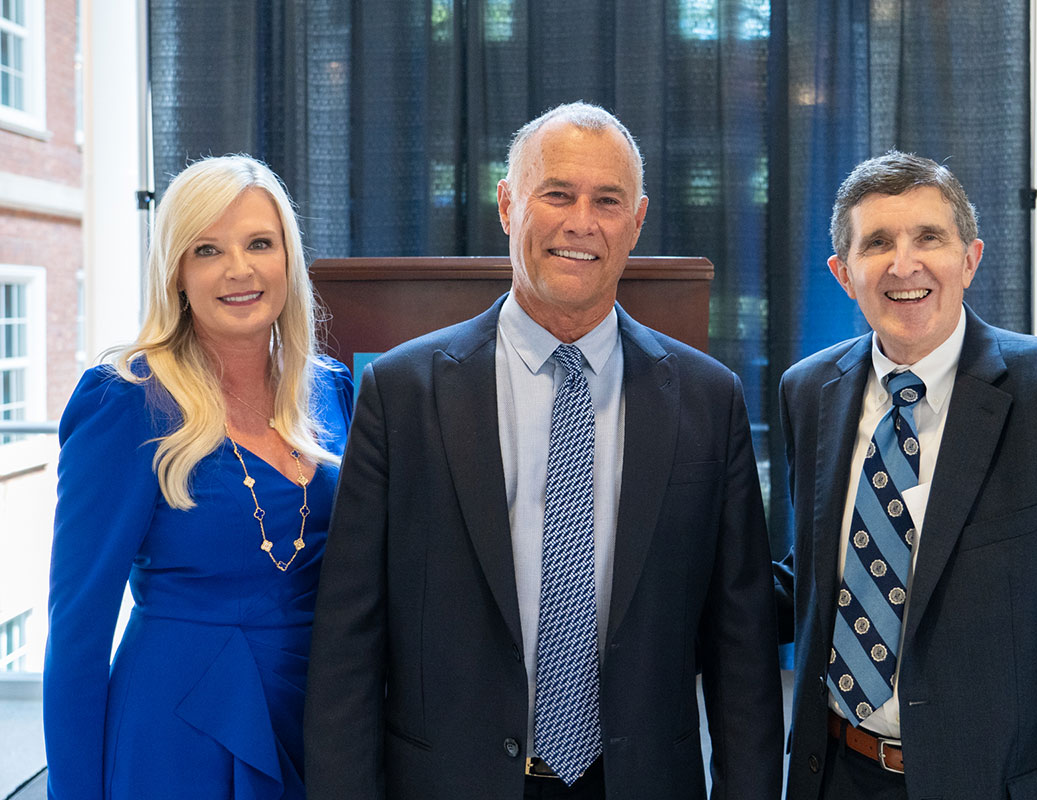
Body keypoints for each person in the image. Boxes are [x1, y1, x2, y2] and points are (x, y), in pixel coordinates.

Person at [304, 102, 782, 799]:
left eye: (607, 201)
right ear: (507, 204)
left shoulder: (709, 402)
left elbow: (741, 652)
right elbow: (348, 640)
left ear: (638, 220)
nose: (580, 222)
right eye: (556, 193)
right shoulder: (402, 393)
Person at [774, 151, 1037, 799]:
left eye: (929, 237)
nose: (904, 264)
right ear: (844, 274)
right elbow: (824, 574)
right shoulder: (808, 391)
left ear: (970, 259)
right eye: (877, 243)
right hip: (834, 773)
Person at [43, 155, 354, 800]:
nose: (239, 269)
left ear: (288, 261)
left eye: (259, 244)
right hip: (175, 730)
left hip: (317, 719)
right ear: (177, 273)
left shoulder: (329, 390)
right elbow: (78, 631)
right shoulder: (125, 402)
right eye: (208, 249)